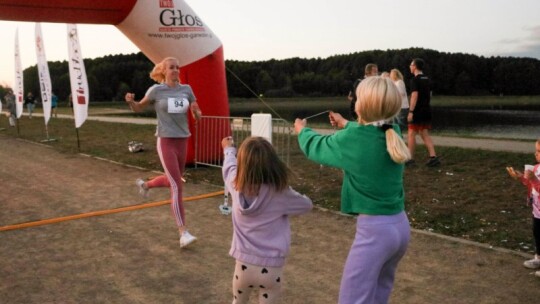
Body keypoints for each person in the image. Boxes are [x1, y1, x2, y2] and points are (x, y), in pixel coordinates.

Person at [295, 76, 411, 304]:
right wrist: (345, 123)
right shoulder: (392, 131)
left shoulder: (353, 138)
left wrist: (302, 131)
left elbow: (316, 147)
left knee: (352, 298)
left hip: (375, 232)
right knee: (379, 294)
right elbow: (368, 131)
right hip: (400, 226)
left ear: (361, 105)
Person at [221, 136, 313, 303]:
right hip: (271, 269)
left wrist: (229, 149)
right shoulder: (281, 192)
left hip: (243, 266)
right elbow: (307, 205)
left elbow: (229, 168)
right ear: (273, 163)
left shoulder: (235, 184)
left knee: (238, 302)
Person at [125, 56, 203, 248]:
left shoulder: (187, 89)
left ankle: (146, 185)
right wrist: (131, 102)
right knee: (177, 186)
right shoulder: (156, 90)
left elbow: (196, 108)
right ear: (164, 71)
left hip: (183, 139)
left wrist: (197, 113)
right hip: (166, 141)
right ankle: (183, 232)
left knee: (172, 180)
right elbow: (138, 108)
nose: (175, 70)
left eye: (177, 67)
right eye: (171, 68)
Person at [506, 139, 540, 279]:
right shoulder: (537, 168)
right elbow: (531, 185)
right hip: (537, 210)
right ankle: (538, 258)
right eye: (536, 150)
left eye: (539, 151)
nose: (536, 154)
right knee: (538, 234)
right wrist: (521, 177)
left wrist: (533, 180)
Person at [407, 58, 440, 167]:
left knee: (411, 134)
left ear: (415, 66)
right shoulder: (428, 79)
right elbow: (429, 95)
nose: (410, 67)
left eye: (411, 65)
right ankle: (433, 157)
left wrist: (411, 111)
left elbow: (414, 96)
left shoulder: (415, 80)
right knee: (424, 133)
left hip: (417, 111)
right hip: (426, 110)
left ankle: (410, 159)